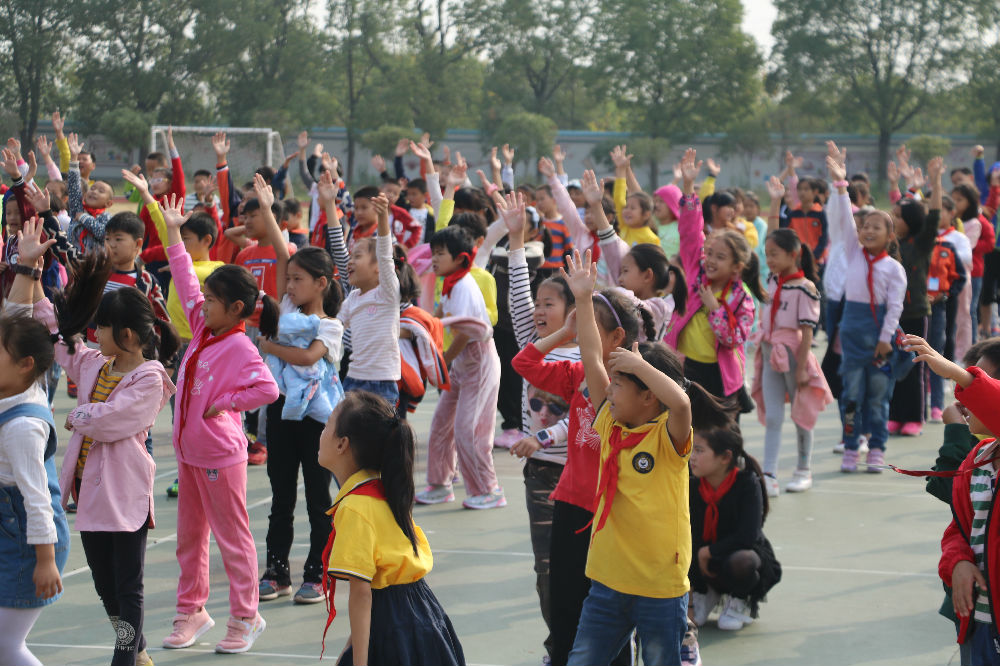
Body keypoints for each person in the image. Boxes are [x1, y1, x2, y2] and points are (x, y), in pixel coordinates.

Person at [19, 217, 177, 666]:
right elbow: (57, 335)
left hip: (124, 496)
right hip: (89, 493)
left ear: (126, 335)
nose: (95, 335)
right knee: (106, 586)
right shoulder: (95, 365)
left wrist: (81, 416)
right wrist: (31, 270)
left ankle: (125, 657)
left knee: (129, 586)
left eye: (102, 329)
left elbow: (115, 421)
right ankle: (137, 647)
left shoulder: (149, 378)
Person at [561, 248, 729, 666]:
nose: (609, 393)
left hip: (659, 585)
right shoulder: (611, 425)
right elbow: (590, 356)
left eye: (620, 386)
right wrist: (583, 300)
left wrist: (640, 364)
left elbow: (682, 404)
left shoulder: (667, 438)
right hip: (607, 580)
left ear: (647, 396)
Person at [159, 193, 279, 654]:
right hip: (189, 454)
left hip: (220, 455)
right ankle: (192, 610)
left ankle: (247, 616)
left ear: (237, 310)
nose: (202, 304)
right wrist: (173, 233)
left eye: (213, 301)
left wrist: (224, 402)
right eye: (205, 299)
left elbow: (266, 389)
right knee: (190, 538)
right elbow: (187, 281)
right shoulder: (202, 324)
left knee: (233, 538)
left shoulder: (241, 347)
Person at [511, 280, 654, 666]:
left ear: (617, 336)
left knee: (610, 612)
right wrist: (565, 330)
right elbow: (523, 364)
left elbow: (595, 362)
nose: (584, 335)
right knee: (565, 606)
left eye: (590, 325)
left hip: (611, 514)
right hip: (572, 503)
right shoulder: (575, 374)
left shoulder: (633, 390)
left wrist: (584, 304)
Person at [317, 391, 465, 665]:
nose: (321, 432)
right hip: (424, 613)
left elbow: (362, 594)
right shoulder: (386, 488)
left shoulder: (354, 507)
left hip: (391, 626)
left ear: (342, 444)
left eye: (326, 425)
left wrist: (358, 661)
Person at [499, 190, 578, 663]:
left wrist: (542, 436)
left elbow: (584, 415)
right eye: (539, 304)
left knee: (585, 566)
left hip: (581, 472)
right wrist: (515, 238)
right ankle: (560, 645)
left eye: (551, 302)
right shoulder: (535, 345)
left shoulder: (587, 353)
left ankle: (593, 641)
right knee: (547, 569)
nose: (540, 309)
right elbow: (517, 296)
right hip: (543, 474)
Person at [256, 196, 346, 605]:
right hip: (280, 413)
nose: (289, 286)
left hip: (317, 420)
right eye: (288, 279)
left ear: (322, 283)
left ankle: (318, 571)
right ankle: (276, 572)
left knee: (317, 498)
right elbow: (280, 249)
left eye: (298, 280)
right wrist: (267, 208)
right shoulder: (287, 309)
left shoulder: (330, 326)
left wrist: (269, 348)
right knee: (281, 497)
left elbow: (310, 357)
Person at [904, 334, 1000, 665]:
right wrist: (958, 562)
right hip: (979, 625)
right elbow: (959, 528)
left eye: (982, 382)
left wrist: (956, 374)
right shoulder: (978, 458)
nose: (960, 401)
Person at [0, 227, 68, 666]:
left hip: (27, 539)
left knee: (6, 646)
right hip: (10, 528)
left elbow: (38, 500)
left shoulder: (22, 426)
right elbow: (16, 316)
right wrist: (25, 267)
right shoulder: (28, 381)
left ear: (24, 364)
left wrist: (45, 562)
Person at [665, 149, 762, 420]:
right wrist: (687, 188)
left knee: (720, 434)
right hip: (687, 368)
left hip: (721, 375)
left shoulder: (741, 298)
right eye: (710, 253)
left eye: (721, 257)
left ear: (737, 267)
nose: (710, 260)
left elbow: (733, 338)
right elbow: (689, 233)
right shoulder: (697, 277)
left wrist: (714, 309)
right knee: (688, 430)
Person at [824, 157, 907, 473]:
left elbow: (895, 308)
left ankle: (876, 447)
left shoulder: (893, 269)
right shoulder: (853, 252)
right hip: (853, 334)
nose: (868, 230)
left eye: (877, 226)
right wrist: (841, 185)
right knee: (851, 397)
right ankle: (850, 446)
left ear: (890, 235)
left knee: (877, 397)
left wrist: (886, 340)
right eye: (865, 226)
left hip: (880, 338)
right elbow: (845, 221)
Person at [418, 225, 504, 509]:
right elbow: (440, 314)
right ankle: (441, 484)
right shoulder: (451, 283)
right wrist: (422, 324)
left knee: (470, 429)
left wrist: (442, 361)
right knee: (441, 423)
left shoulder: (465, 286)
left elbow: (466, 334)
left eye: (440, 254)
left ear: (461, 258)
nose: (434, 259)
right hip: (461, 365)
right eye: (433, 253)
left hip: (478, 363)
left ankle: (489, 490)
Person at [751, 227, 832, 496]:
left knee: (801, 415)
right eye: (767, 254)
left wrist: (801, 368)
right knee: (773, 415)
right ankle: (770, 473)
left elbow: (807, 330)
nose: (770, 259)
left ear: (793, 254)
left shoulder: (806, 288)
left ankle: (803, 469)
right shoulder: (773, 281)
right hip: (769, 350)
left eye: (774, 254)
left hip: (792, 355)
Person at [688, 424, 781, 640]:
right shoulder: (693, 485)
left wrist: (707, 552)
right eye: (692, 449)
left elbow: (748, 536)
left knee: (743, 561)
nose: (692, 457)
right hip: (704, 556)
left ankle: (740, 599)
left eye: (699, 451)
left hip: (738, 553)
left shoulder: (747, 483)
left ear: (725, 457)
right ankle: (705, 593)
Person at [321, 172, 402, 404]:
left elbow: (386, 254)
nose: (349, 262)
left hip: (382, 382)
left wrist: (383, 217)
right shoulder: (353, 297)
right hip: (353, 379)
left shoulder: (387, 292)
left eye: (357, 256)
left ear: (379, 268)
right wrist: (329, 203)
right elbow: (333, 327)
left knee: (379, 438)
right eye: (351, 256)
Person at [887, 155, 945, 437]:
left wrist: (935, 181)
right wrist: (895, 184)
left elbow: (932, 217)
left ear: (910, 220)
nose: (894, 220)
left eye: (898, 217)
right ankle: (895, 415)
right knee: (894, 367)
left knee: (914, 367)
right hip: (893, 315)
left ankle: (915, 417)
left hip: (916, 313)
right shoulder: (890, 245)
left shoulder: (921, 244)